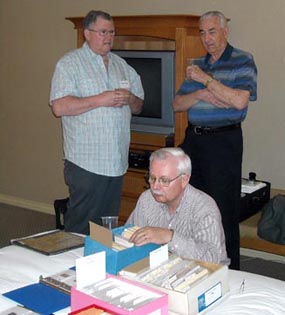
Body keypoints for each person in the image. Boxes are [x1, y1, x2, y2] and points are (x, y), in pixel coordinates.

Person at [173, 11, 257, 269]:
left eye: (212, 31)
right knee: (188, 204)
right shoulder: (197, 64)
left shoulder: (243, 60)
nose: (206, 38)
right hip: (194, 141)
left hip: (224, 142)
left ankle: (228, 271)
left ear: (224, 31)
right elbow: (178, 104)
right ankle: (194, 265)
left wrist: (206, 81)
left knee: (222, 211)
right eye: (202, 32)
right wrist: (201, 93)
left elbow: (239, 100)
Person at [49, 10, 144, 234]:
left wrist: (130, 99)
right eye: (103, 32)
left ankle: (99, 266)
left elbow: (139, 106)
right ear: (87, 34)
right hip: (86, 163)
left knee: (105, 228)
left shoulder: (122, 66)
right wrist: (100, 99)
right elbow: (59, 107)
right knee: (81, 227)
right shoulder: (69, 64)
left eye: (111, 32)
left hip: (116, 161)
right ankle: (70, 267)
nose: (109, 37)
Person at [127, 147, 229, 265]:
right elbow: (128, 237)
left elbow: (211, 259)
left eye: (164, 180)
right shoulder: (146, 199)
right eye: (152, 178)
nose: (155, 187)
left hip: (204, 274)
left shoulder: (204, 208)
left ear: (184, 180)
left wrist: (169, 237)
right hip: (158, 269)